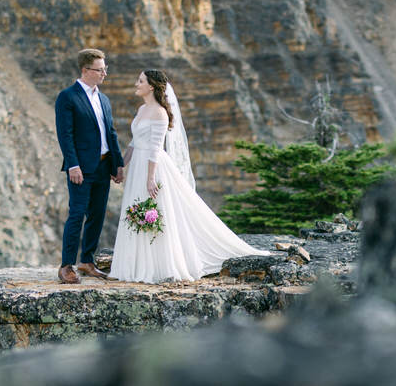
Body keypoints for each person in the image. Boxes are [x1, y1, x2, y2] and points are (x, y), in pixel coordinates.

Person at [109, 69, 265, 283]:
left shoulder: (160, 113)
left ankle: (157, 267)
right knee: (135, 210)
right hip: (137, 166)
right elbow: (134, 143)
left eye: (141, 81)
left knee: (153, 212)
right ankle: (135, 266)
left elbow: (155, 148)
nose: (136, 84)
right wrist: (121, 167)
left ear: (151, 86)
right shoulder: (142, 109)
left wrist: (150, 178)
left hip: (152, 168)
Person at [54, 48, 125, 284]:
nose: (105, 73)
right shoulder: (68, 97)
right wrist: (72, 165)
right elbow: (66, 135)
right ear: (85, 70)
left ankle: (87, 261)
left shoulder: (103, 98)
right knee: (76, 214)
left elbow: (111, 133)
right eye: (100, 69)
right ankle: (66, 266)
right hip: (81, 169)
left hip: (104, 167)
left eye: (105, 68)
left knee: (97, 215)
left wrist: (118, 164)